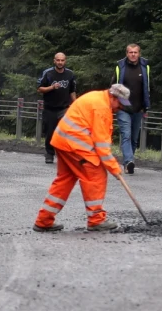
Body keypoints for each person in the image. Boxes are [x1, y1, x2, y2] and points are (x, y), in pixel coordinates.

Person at [34, 84, 130, 232]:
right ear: (113, 96)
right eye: (120, 104)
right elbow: (102, 146)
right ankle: (96, 220)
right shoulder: (102, 108)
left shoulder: (97, 97)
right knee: (96, 175)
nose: (120, 108)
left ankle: (44, 220)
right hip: (75, 145)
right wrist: (114, 168)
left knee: (64, 180)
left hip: (62, 141)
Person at [114, 43, 151, 174]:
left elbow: (147, 88)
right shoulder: (120, 67)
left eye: (135, 52)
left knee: (134, 138)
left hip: (138, 108)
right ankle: (128, 161)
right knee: (126, 135)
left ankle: (129, 163)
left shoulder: (145, 67)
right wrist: (118, 103)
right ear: (126, 53)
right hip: (123, 108)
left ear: (139, 53)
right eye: (131, 52)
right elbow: (114, 87)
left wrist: (146, 105)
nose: (133, 54)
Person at [36, 52, 77, 164]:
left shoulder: (70, 74)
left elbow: (72, 91)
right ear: (54, 61)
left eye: (62, 60)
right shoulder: (48, 73)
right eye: (58, 60)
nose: (60, 62)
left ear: (65, 61)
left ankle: (65, 155)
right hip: (50, 108)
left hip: (64, 108)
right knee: (50, 133)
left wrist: (76, 104)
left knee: (65, 132)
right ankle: (49, 154)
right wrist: (52, 87)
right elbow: (39, 89)